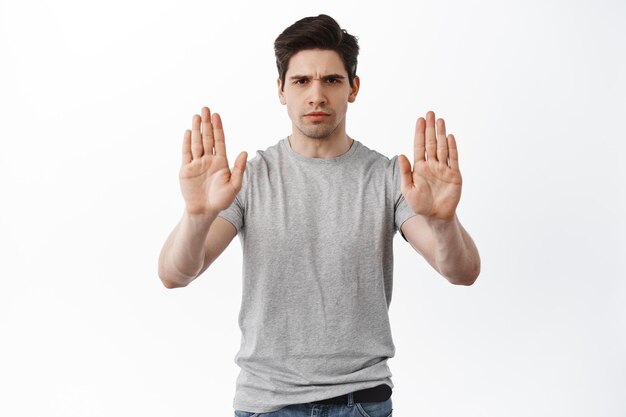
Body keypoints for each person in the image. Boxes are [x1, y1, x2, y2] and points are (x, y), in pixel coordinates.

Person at [158, 14, 480, 417]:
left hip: (361, 401)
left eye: (331, 80)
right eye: (300, 81)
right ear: (281, 90)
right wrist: (196, 215)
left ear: (353, 88)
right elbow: (176, 274)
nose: (316, 95)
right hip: (267, 404)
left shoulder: (387, 178)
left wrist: (444, 221)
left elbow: (461, 271)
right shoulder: (249, 179)